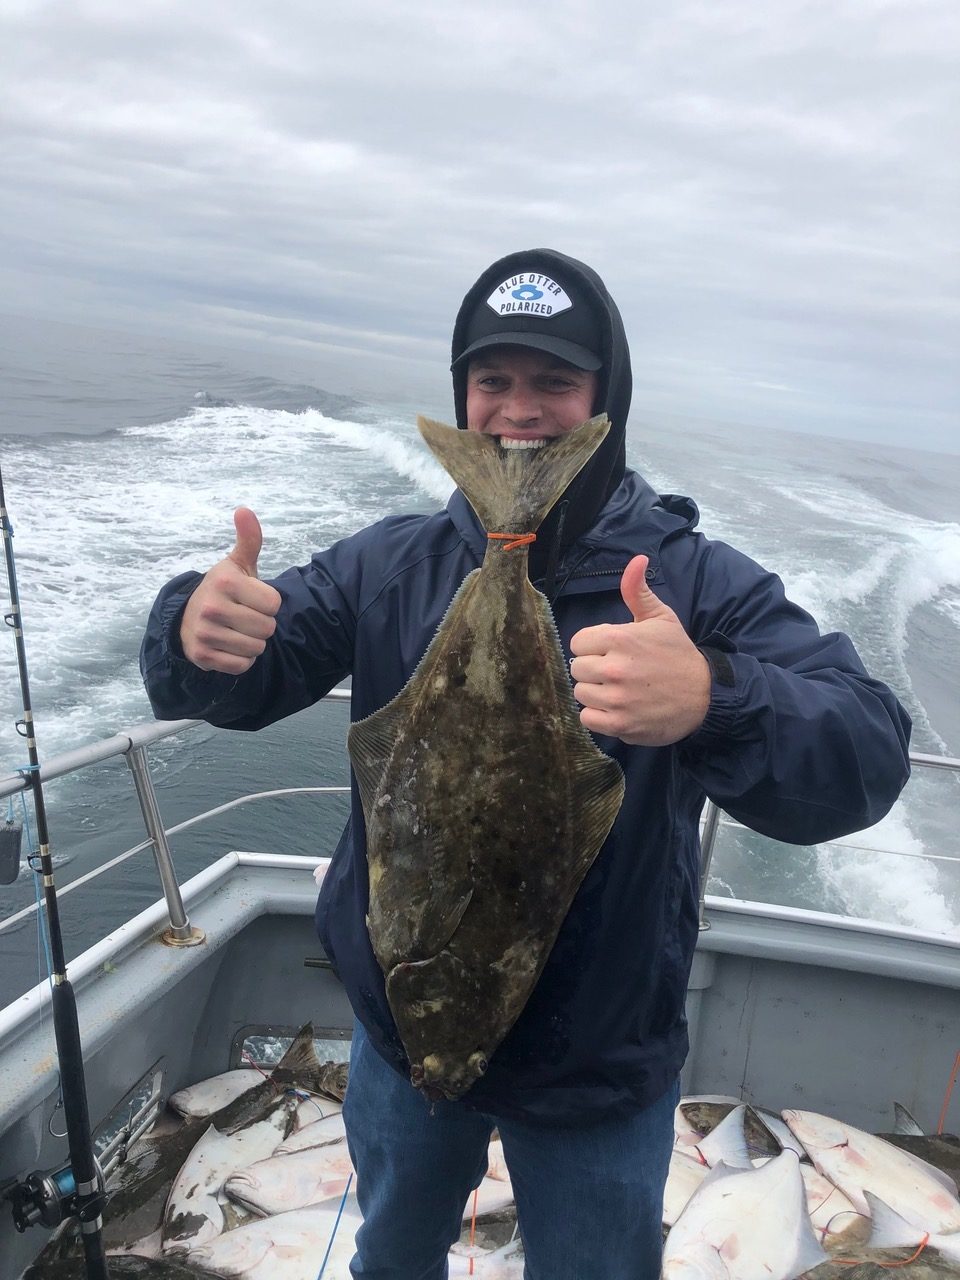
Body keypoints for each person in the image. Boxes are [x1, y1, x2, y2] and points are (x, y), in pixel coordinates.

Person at [140, 248, 912, 1278]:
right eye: (493, 381)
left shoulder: (688, 583)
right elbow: (252, 673)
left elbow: (868, 747)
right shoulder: (390, 563)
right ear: (462, 396)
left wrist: (713, 693)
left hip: (593, 1053)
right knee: (394, 1247)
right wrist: (198, 634)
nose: (519, 409)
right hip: (409, 1036)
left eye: (555, 382)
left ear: (606, 398)